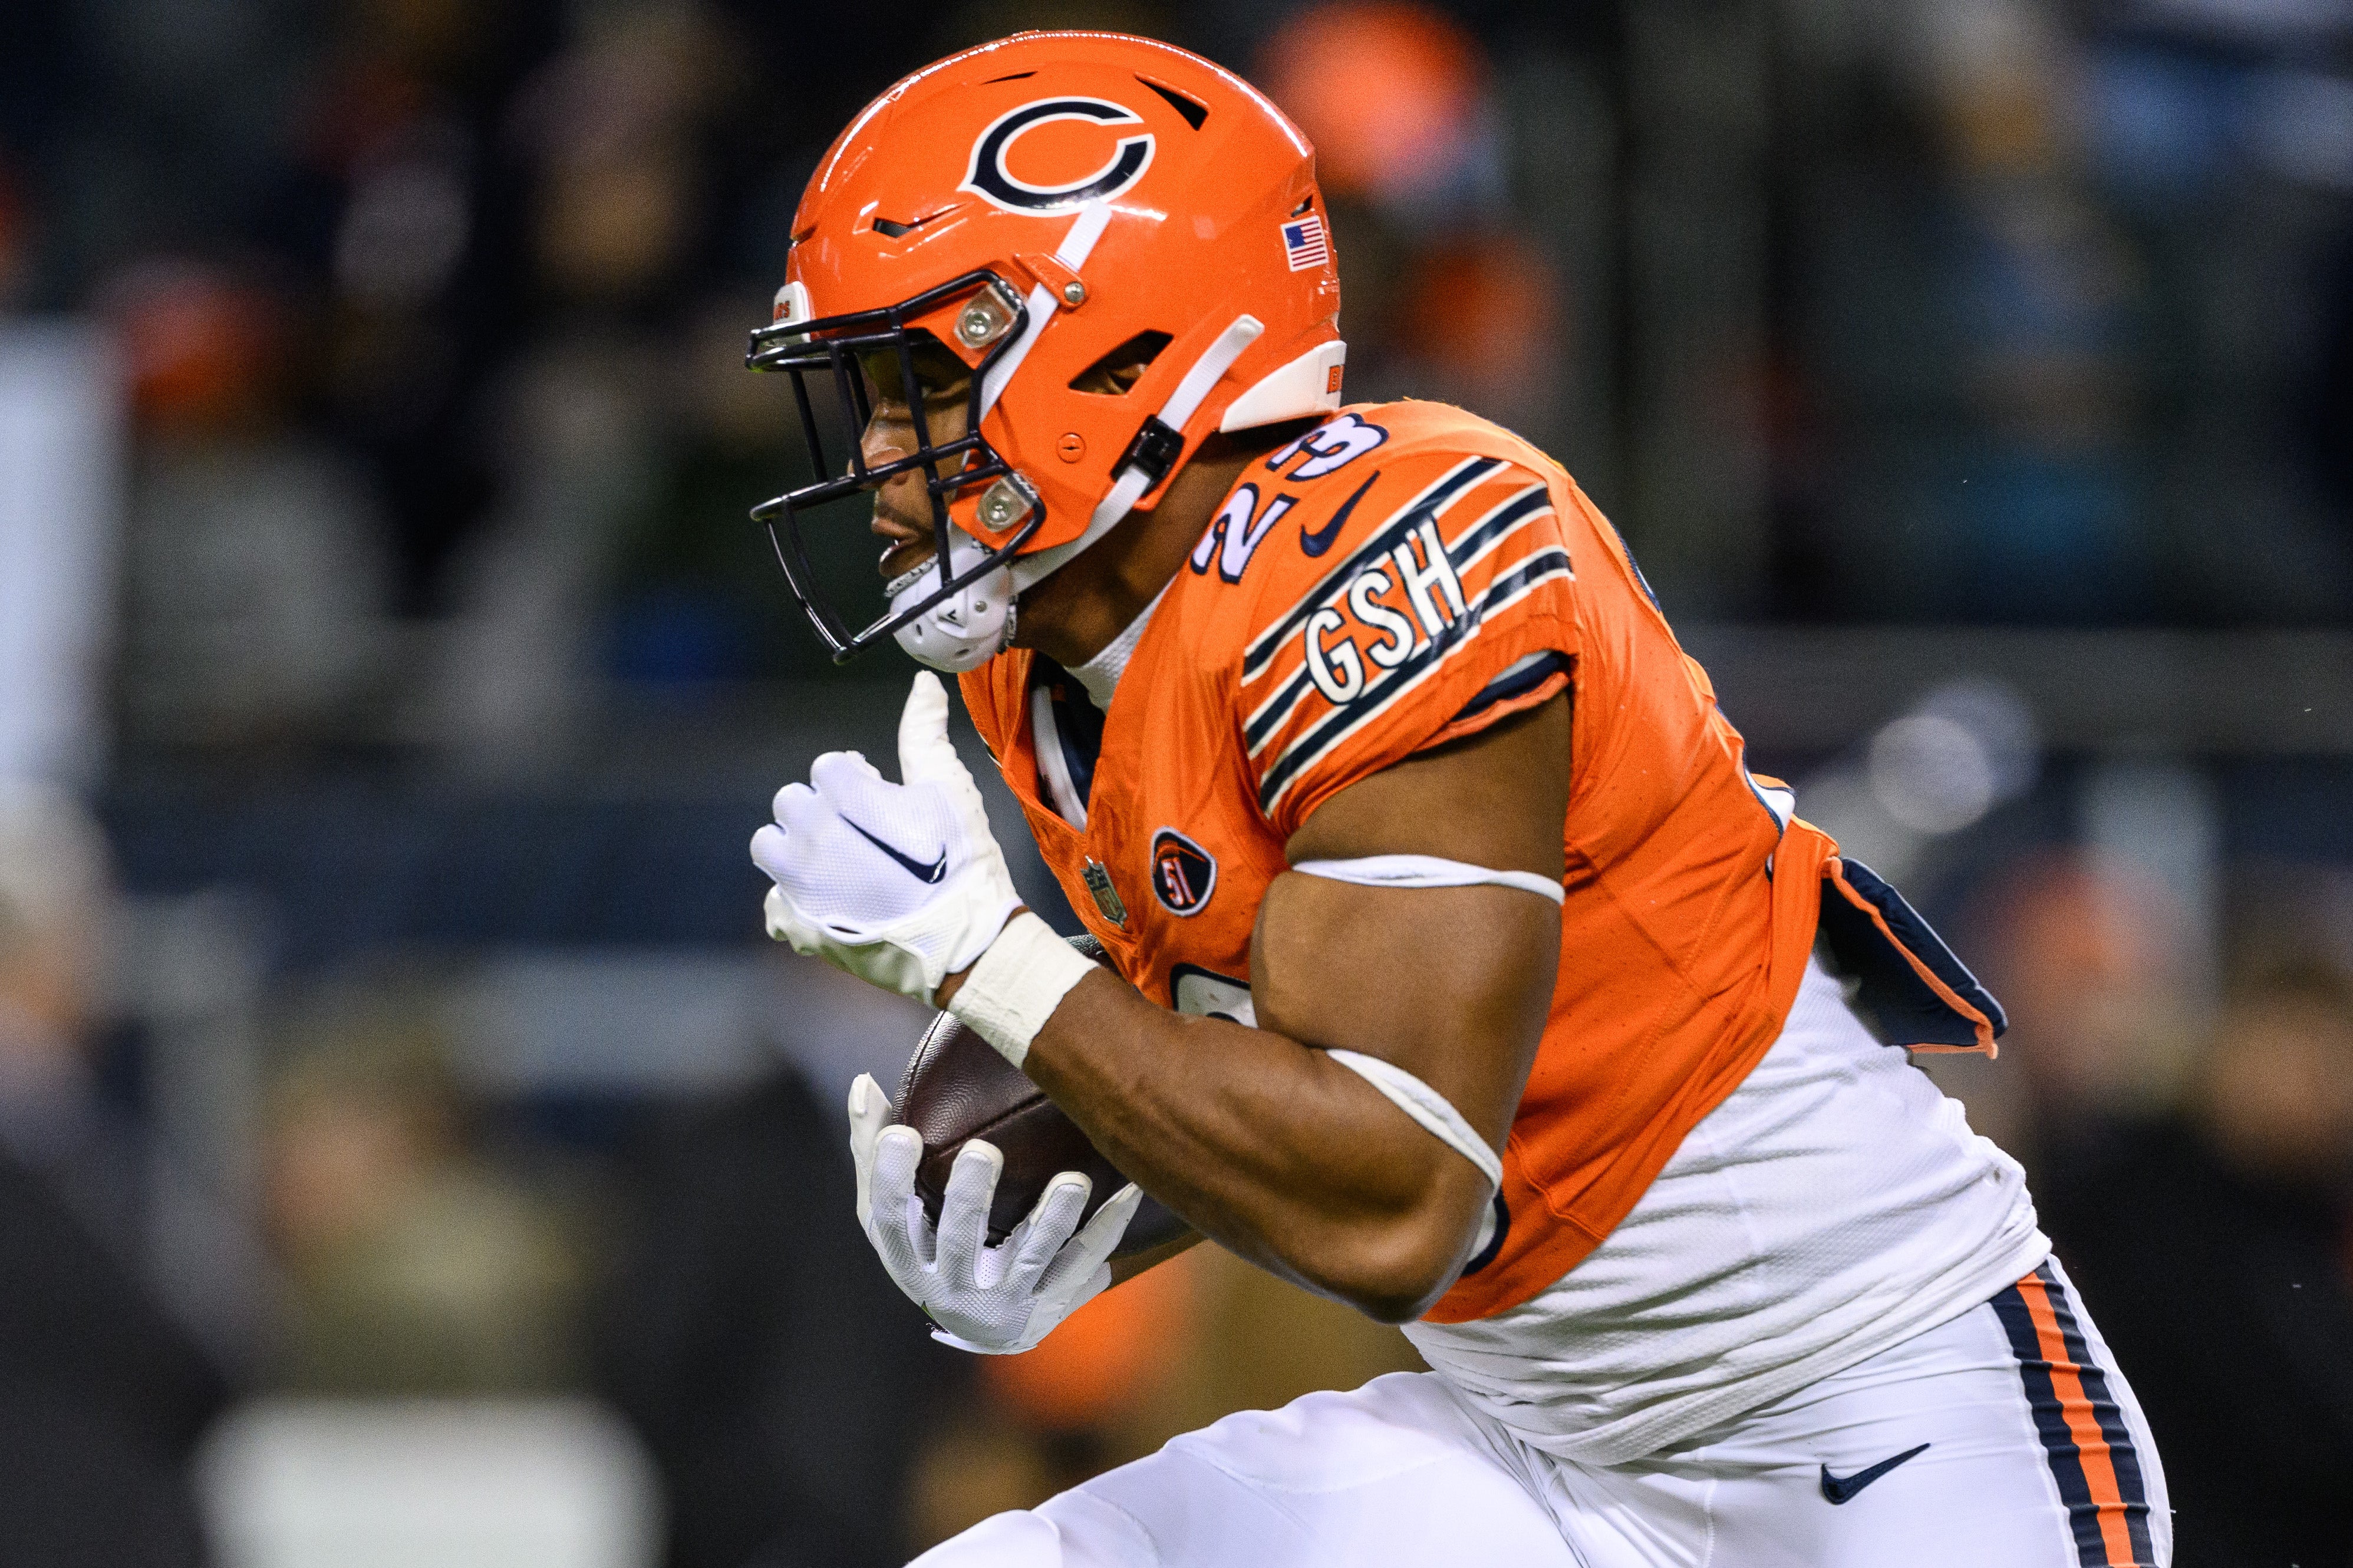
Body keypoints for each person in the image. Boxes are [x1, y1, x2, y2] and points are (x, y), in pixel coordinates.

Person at [745, 32, 2167, 1567]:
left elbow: (1404, 1188)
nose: (882, 458)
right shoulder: (1045, 656)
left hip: (1872, 1405)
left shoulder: (1408, 550)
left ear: (1107, 356)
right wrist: (1059, 1241)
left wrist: (990, 964)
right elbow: (1283, 1062)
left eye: (923, 389)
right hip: (1534, 1448)